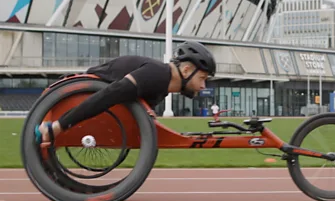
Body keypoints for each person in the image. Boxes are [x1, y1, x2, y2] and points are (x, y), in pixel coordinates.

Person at [34, 41, 216, 146]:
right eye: (202, 78)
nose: (203, 86)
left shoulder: (162, 88)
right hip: (86, 91)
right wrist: (58, 126)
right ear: (185, 70)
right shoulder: (157, 74)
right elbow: (111, 94)